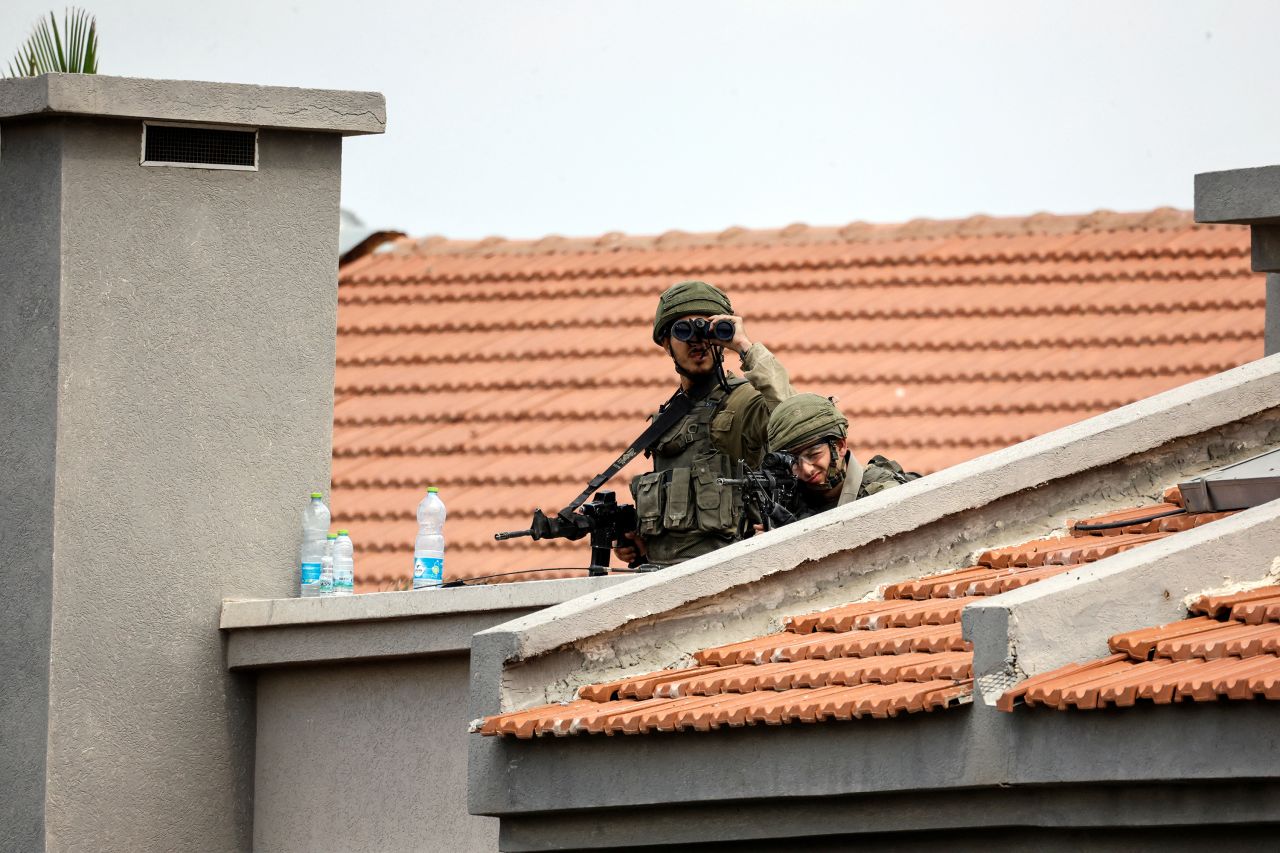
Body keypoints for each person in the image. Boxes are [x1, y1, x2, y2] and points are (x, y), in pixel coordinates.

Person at [614, 280, 796, 566]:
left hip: (731, 573)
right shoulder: (667, 419)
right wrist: (643, 545)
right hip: (664, 577)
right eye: (682, 331)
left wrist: (743, 346)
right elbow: (685, 520)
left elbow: (793, 417)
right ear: (666, 343)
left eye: (705, 328)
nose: (696, 340)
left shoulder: (745, 401)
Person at [765, 393, 919, 520]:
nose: (806, 470)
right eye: (794, 461)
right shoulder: (787, 501)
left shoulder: (881, 493)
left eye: (813, 455)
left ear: (840, 446)